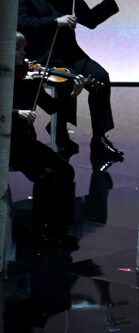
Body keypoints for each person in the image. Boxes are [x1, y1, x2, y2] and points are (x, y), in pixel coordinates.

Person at [18, 0, 124, 158]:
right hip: (42, 56)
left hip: (70, 53)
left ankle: (100, 138)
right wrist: (55, 21)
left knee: (101, 78)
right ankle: (59, 129)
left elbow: (90, 21)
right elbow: (22, 24)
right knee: (68, 81)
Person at [10, 32, 87, 248]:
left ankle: (58, 229)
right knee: (45, 177)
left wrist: (72, 94)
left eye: (24, 48)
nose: (24, 53)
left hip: (26, 141)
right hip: (8, 144)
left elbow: (51, 107)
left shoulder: (30, 78)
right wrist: (17, 113)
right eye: (18, 49)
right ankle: (39, 232)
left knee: (66, 171)